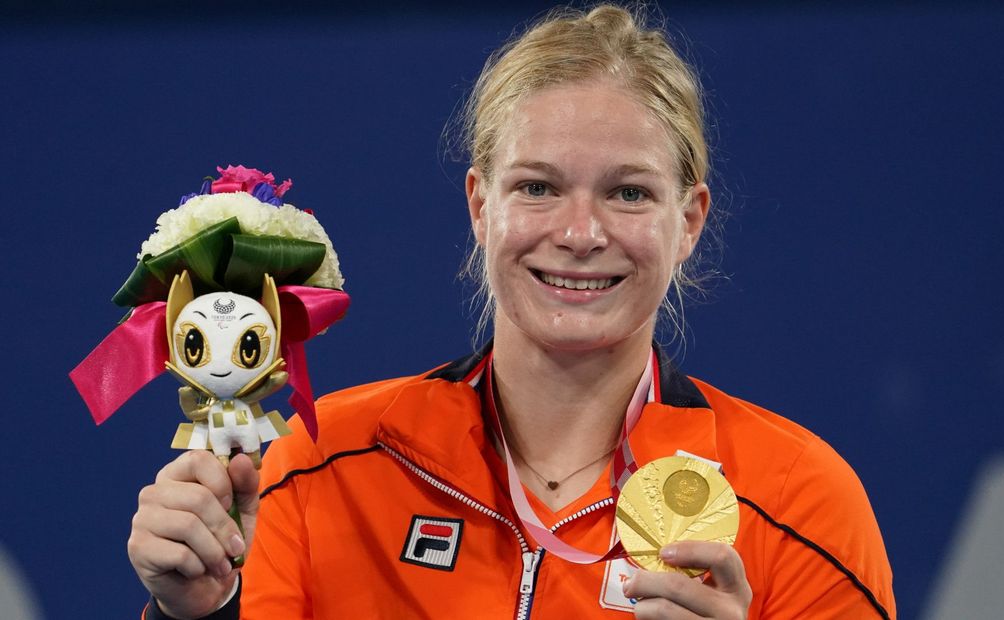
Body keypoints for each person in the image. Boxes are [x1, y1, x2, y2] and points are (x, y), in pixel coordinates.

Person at [128, 5, 895, 619]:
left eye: (629, 192)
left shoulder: (798, 501)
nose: (580, 233)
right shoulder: (325, 469)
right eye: (537, 187)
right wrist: (202, 614)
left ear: (689, 221)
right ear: (479, 206)